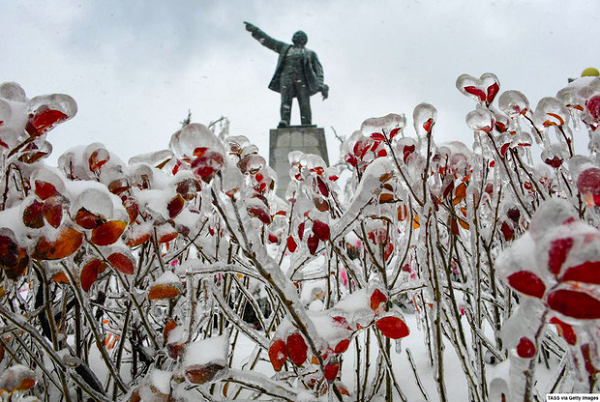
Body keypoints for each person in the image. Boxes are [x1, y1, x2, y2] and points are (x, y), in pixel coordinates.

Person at [244, 22, 329, 128]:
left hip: (303, 80)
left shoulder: (310, 54)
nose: (294, 36)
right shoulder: (284, 48)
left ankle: (306, 123)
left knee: (304, 103)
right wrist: (256, 31)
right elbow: (269, 42)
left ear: (303, 39)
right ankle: (284, 120)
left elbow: (319, 70)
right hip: (286, 78)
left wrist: (320, 84)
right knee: (285, 102)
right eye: (294, 34)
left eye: (297, 34)